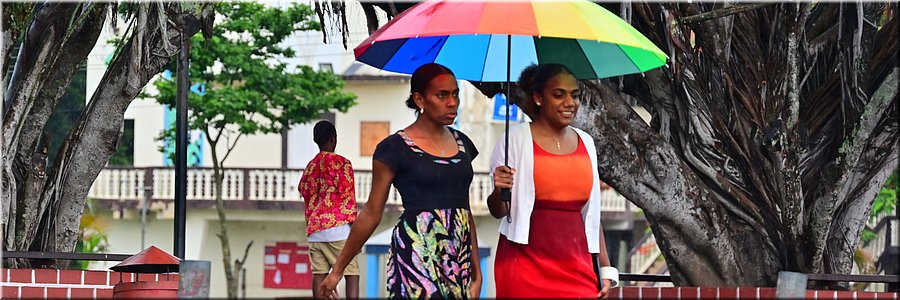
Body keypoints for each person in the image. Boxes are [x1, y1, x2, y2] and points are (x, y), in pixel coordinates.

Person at [318, 63, 483, 299]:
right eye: (442, 95)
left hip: (458, 256)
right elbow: (372, 213)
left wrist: (476, 271)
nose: (452, 102)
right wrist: (337, 270)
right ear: (420, 100)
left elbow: (464, 212)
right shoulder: (393, 148)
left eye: (455, 94)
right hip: (417, 252)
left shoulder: (463, 144)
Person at [488, 63, 618, 298]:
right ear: (538, 97)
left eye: (575, 95)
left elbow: (591, 215)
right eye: (559, 95)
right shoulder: (515, 140)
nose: (570, 103)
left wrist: (605, 269)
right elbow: (498, 211)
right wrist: (500, 189)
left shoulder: (587, 142)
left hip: (578, 267)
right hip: (524, 265)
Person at [299, 120, 360, 299]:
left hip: (315, 231)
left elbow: (303, 189)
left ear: (315, 140)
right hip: (338, 230)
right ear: (333, 139)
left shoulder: (310, 166)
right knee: (351, 274)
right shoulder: (343, 164)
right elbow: (348, 198)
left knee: (319, 275)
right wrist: (357, 234)